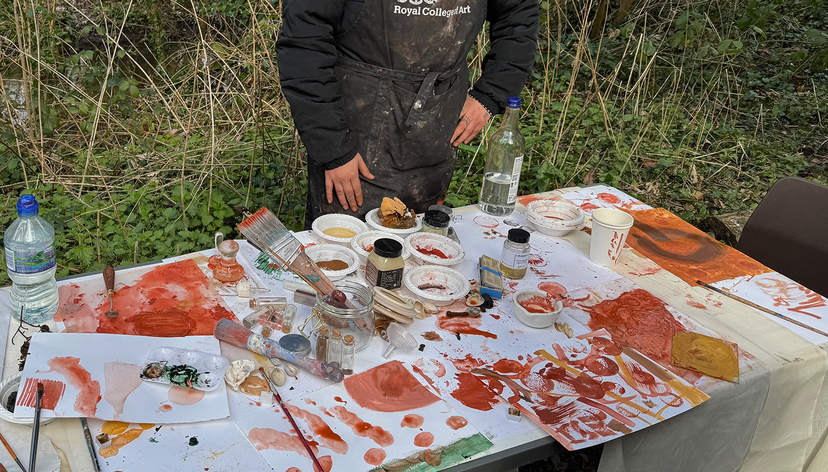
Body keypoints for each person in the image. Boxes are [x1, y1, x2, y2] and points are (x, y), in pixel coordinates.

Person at [276, 0, 539, 227]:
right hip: (355, 134)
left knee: (421, 247)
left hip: (437, 127)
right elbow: (304, 44)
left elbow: (518, 15)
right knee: (344, 252)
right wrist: (333, 148)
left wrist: (491, 93)